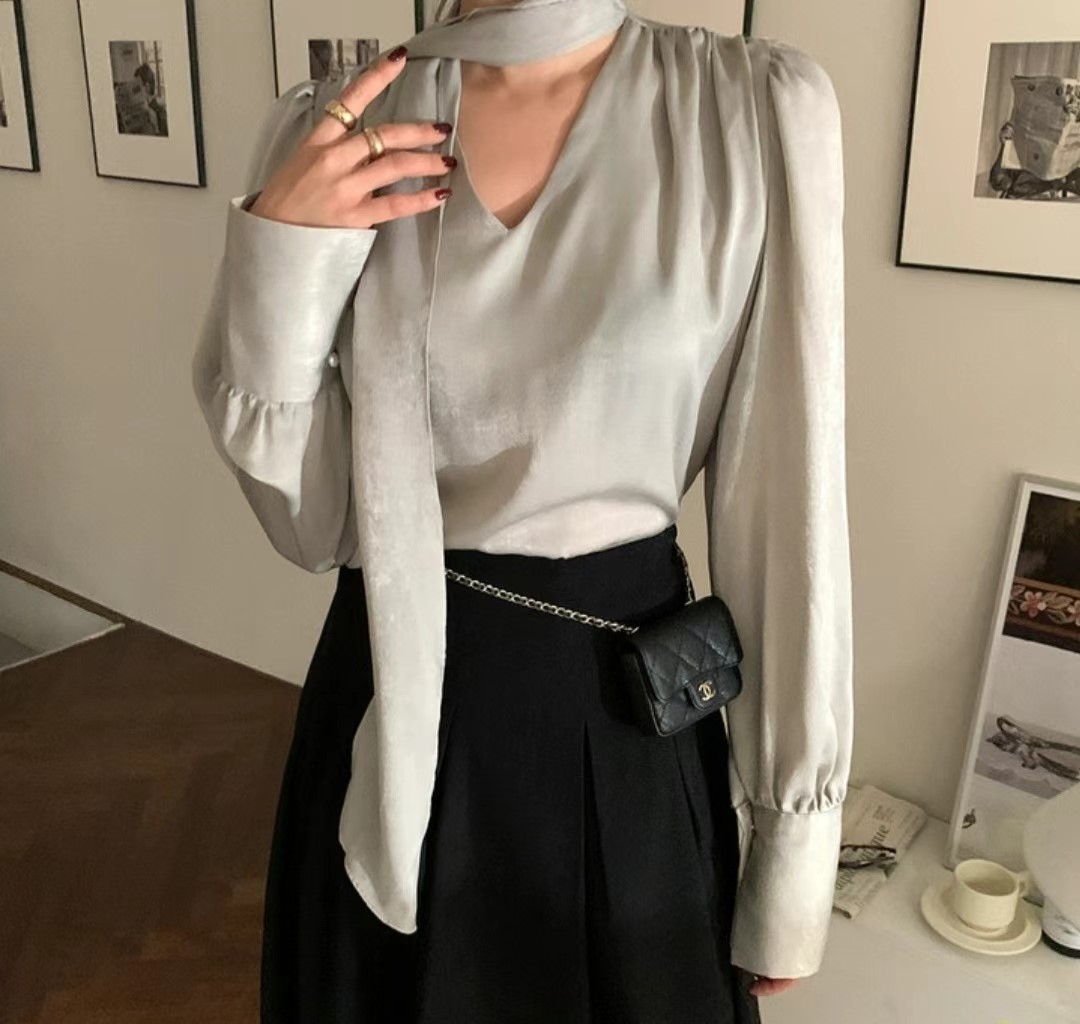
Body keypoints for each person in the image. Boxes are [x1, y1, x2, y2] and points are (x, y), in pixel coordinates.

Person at [191, 0, 853, 1020]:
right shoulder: (333, 127)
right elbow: (314, 525)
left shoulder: (748, 113)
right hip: (386, 712)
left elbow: (788, 505)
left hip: (623, 726)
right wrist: (281, 255)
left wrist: (793, 842)